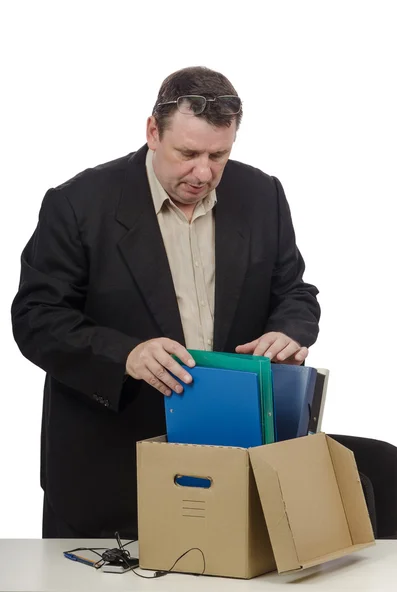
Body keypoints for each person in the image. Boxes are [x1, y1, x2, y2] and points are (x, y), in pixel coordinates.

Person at [11, 66, 320, 540]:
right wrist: (126, 355)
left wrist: (290, 331)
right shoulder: (77, 203)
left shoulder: (263, 195)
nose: (204, 172)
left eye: (220, 154)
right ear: (153, 132)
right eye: (188, 153)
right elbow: (35, 319)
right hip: (108, 467)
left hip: (232, 458)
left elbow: (295, 292)